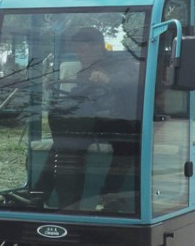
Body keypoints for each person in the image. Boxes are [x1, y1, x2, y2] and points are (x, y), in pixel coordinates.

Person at [35, 28, 136, 210]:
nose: (79, 55)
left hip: (123, 120)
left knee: (126, 148)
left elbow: (127, 79)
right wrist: (54, 88)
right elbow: (78, 95)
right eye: (76, 50)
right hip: (92, 121)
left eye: (82, 50)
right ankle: (51, 199)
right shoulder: (85, 69)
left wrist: (107, 79)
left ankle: (109, 197)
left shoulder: (122, 61)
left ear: (97, 46)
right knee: (64, 141)